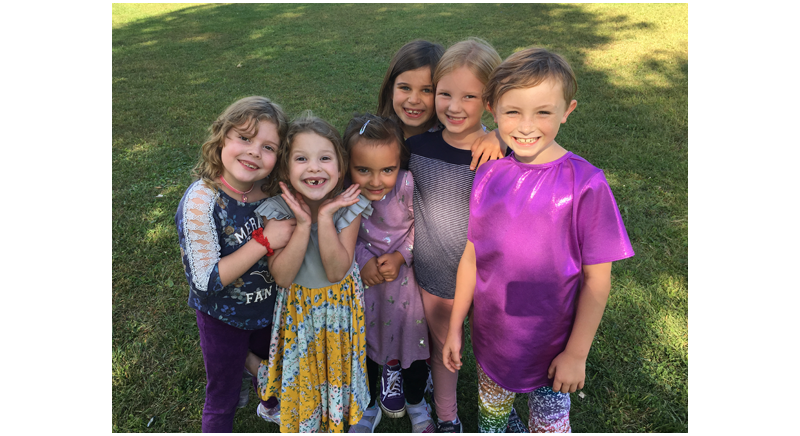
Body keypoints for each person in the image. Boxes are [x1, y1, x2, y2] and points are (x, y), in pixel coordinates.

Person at [441, 47, 636, 433]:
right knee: (493, 421)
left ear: (568, 110)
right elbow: (472, 257)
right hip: (493, 341)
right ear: (492, 110)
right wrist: (454, 327)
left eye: (543, 112)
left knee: (549, 425)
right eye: (513, 112)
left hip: (553, 349)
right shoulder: (488, 174)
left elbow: (597, 280)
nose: (527, 126)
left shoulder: (586, 184)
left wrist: (576, 354)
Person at [175, 96, 296, 432]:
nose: (254, 151)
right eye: (244, 138)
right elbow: (205, 281)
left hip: (268, 310)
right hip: (221, 319)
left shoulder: (272, 192)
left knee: (276, 368)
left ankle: (269, 403)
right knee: (222, 396)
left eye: (268, 146)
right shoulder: (202, 201)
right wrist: (263, 241)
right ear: (222, 136)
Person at [244, 112, 371, 433]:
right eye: (302, 158)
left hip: (339, 314)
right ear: (286, 169)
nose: (314, 167)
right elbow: (283, 277)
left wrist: (325, 217)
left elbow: (336, 269)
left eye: (325, 158)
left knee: (336, 371)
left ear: (340, 169)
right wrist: (303, 224)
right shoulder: (277, 211)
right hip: (301, 315)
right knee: (304, 373)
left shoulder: (348, 208)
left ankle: (337, 416)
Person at [405, 37, 502, 433]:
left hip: (490, 278)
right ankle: (447, 416)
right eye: (445, 94)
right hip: (435, 274)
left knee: (490, 350)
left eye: (470, 97)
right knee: (444, 350)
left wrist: (502, 134)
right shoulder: (416, 146)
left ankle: (498, 410)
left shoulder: (503, 153)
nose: (454, 107)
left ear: (490, 101)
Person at [342, 114, 435, 433]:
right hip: (366, 288)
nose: (376, 180)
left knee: (415, 344)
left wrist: (401, 255)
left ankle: (416, 402)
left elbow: (423, 226)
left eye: (387, 169)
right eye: (363, 169)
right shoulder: (347, 195)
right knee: (365, 348)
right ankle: (367, 406)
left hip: (407, 287)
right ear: (348, 165)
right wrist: (363, 259)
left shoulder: (407, 185)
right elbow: (343, 235)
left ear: (399, 164)